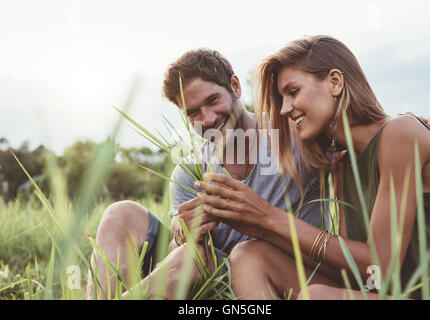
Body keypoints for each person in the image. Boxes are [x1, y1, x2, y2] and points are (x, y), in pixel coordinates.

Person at [194, 35, 430, 300]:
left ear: (335, 82)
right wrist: (258, 226)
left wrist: (269, 217)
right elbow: (355, 273)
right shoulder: (342, 162)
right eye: (281, 98)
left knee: (316, 296)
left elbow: (379, 267)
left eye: (293, 92)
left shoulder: (400, 133)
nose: (284, 109)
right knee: (249, 255)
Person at [85, 49, 325, 299]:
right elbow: (176, 254)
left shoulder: (295, 134)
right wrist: (183, 233)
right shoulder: (189, 171)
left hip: (281, 273)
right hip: (216, 283)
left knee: (201, 256)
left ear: (235, 86)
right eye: (193, 112)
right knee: (120, 214)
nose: (208, 119)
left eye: (213, 101)